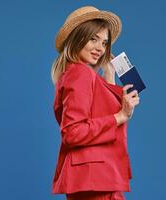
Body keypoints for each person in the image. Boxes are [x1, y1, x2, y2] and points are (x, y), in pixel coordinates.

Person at [51, 6, 140, 200]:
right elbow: (73, 132)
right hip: (94, 179)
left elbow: (97, 115)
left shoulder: (79, 75)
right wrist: (121, 116)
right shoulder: (80, 74)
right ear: (77, 37)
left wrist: (109, 75)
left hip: (96, 178)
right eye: (93, 39)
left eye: (104, 42)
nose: (100, 48)